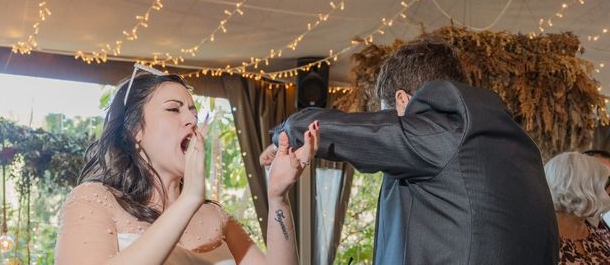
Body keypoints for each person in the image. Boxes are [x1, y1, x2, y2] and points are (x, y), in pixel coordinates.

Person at [262, 39, 559, 264]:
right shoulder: (518, 145)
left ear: (403, 101)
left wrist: (285, 136)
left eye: (384, 114)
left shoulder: (443, 133)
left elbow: (331, 127)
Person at [55, 64, 319, 265]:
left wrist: (277, 197)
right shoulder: (93, 200)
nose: (191, 120)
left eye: (193, 111)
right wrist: (189, 198)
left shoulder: (217, 218)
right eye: (174, 109)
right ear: (134, 130)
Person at [544, 152, 610, 264]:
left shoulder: (604, 236)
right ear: (578, 188)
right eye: (604, 185)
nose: (607, 192)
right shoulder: (537, 241)